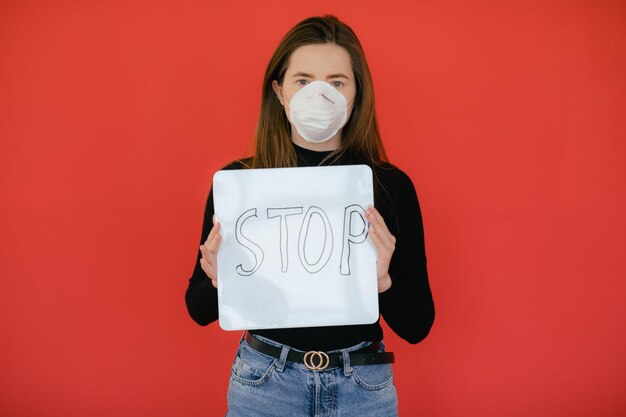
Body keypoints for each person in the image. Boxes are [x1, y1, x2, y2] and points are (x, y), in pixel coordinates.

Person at [184, 15, 435, 417]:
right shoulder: (238, 184)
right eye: (303, 81)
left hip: (362, 384)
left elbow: (418, 325)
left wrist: (383, 281)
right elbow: (198, 309)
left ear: (356, 95)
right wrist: (219, 277)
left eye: (336, 82)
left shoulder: (389, 187)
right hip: (265, 383)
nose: (320, 95)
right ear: (280, 92)